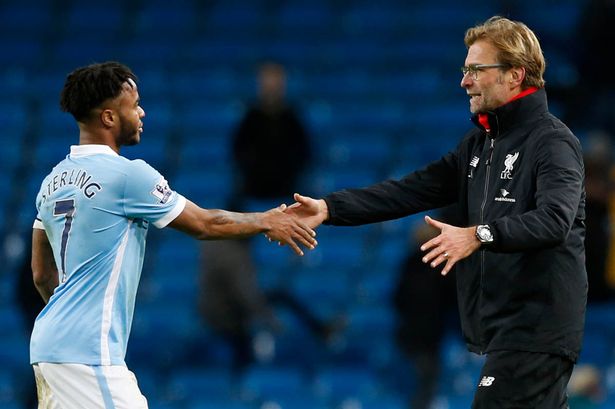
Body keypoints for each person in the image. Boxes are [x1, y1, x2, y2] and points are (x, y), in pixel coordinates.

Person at [285, 16, 586, 409]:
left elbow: (555, 220)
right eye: (465, 70)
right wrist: (329, 208)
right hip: (508, 331)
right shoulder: (479, 145)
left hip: (536, 329)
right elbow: (409, 191)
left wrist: (477, 234)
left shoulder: (552, 142)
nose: (465, 81)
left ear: (515, 75)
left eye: (477, 70)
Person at [29, 61, 317, 409]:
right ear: (108, 118)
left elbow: (42, 274)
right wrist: (266, 220)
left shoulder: (51, 183)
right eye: (133, 106)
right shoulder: (127, 176)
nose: (142, 112)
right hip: (88, 356)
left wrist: (66, 318)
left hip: (48, 345)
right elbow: (205, 224)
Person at [392, 209, 459, 409]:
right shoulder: (435, 265)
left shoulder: (412, 264)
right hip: (425, 334)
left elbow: (398, 298)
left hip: (424, 333)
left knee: (424, 378)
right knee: (423, 378)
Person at [230, 61, 311, 209]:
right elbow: (238, 152)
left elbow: (304, 153)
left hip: (288, 189)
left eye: (275, 80)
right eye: (266, 80)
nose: (271, 86)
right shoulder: (249, 117)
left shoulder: (293, 117)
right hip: (253, 188)